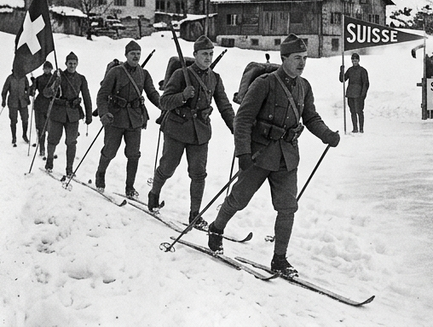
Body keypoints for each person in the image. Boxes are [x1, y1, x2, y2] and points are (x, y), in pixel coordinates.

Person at [207, 35, 340, 277]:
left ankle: (279, 259)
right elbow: (243, 119)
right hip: (259, 154)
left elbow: (310, 117)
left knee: (288, 208)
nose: (302, 63)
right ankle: (216, 228)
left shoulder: (304, 86)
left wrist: (327, 135)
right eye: (297, 58)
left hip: (287, 157)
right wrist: (243, 152)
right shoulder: (264, 84)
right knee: (239, 199)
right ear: (284, 58)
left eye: (305, 58)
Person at [148, 36, 235, 227]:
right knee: (167, 168)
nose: (208, 57)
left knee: (198, 174)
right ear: (195, 54)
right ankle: (153, 194)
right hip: (176, 129)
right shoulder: (181, 74)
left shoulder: (214, 78)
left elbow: (225, 106)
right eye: (204, 54)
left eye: (211, 54)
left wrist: (236, 128)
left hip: (200, 133)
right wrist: (183, 96)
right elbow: (164, 101)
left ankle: (194, 215)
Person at [95, 40, 161, 197]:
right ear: (126, 55)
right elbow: (102, 95)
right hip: (115, 118)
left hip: (135, 120)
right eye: (132, 54)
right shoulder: (116, 72)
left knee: (133, 154)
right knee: (110, 151)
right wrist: (104, 113)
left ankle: (129, 187)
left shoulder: (144, 74)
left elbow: (152, 93)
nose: (136, 56)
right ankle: (100, 174)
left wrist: (164, 105)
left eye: (138, 54)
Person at [45, 52, 92, 178]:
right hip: (57, 113)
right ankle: (49, 162)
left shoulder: (81, 79)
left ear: (77, 64)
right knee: (53, 139)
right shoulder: (58, 76)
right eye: (70, 63)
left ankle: (69, 169)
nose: (72, 66)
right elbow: (46, 93)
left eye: (74, 63)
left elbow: (86, 97)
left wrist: (89, 115)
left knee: (71, 142)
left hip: (73, 115)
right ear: (66, 64)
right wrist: (54, 84)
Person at [339, 52, 370, 134]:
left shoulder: (362, 71)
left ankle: (361, 129)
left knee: (359, 111)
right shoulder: (350, 70)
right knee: (352, 111)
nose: (354, 62)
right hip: (350, 94)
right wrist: (341, 71)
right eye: (353, 61)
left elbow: (366, 83)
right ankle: (355, 128)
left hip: (359, 94)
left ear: (358, 60)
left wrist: (363, 94)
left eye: (356, 60)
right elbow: (342, 79)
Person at [2, 67, 31, 147]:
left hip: (23, 102)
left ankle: (24, 135)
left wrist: (27, 96)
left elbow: (28, 88)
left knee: (25, 119)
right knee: (13, 120)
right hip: (13, 102)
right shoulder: (10, 78)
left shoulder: (24, 78)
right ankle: (14, 137)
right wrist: (3, 100)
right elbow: (4, 90)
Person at [32, 61, 54, 156]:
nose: (47, 70)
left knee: (51, 129)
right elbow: (31, 91)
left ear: (51, 69)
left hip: (51, 106)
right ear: (43, 69)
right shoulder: (38, 79)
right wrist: (33, 87)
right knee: (41, 128)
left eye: (48, 68)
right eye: (45, 68)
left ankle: (50, 150)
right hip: (40, 105)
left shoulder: (55, 79)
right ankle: (42, 148)